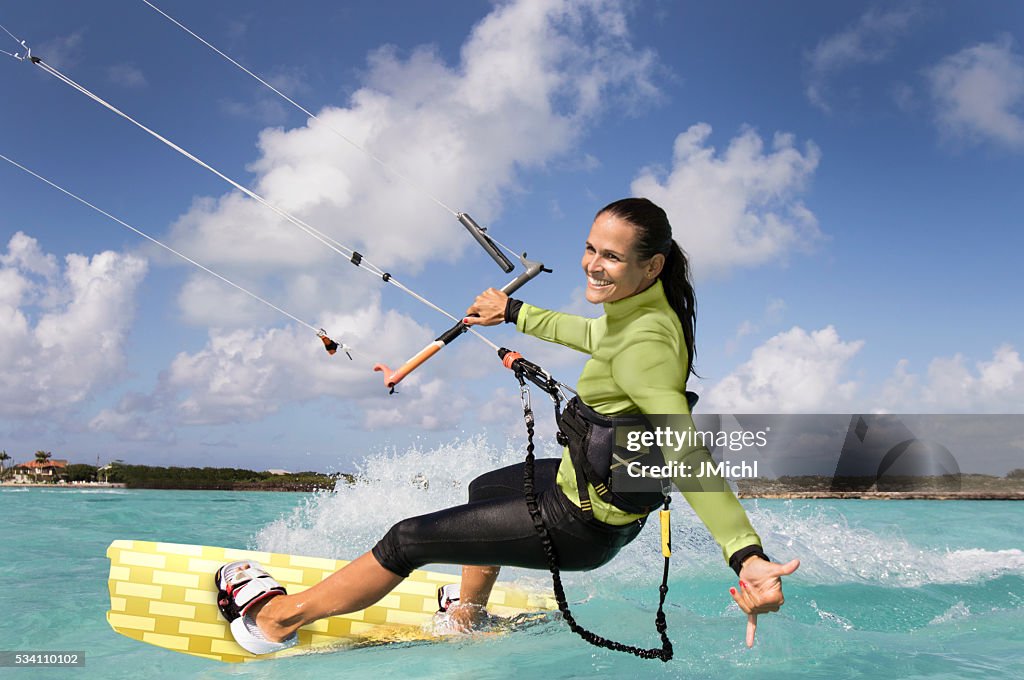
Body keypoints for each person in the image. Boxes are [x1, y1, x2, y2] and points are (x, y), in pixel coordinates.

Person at [216, 198, 799, 655]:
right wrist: (515, 313)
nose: (594, 265)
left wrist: (745, 555)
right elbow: (594, 336)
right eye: (591, 248)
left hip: (580, 524)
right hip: (594, 498)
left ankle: (272, 620)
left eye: (612, 257)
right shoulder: (643, 311)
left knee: (407, 539)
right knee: (486, 488)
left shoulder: (646, 339)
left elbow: (684, 452)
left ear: (652, 265)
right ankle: (467, 615)